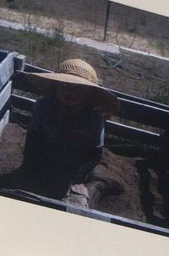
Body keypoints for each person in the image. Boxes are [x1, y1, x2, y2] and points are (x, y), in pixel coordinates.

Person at [20, 58, 124, 207]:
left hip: (74, 165)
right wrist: (32, 168)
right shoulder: (43, 107)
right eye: (65, 85)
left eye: (78, 88)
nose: (71, 91)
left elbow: (94, 155)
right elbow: (33, 141)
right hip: (45, 158)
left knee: (77, 205)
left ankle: (98, 185)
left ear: (89, 94)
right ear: (56, 87)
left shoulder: (94, 119)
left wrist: (75, 178)